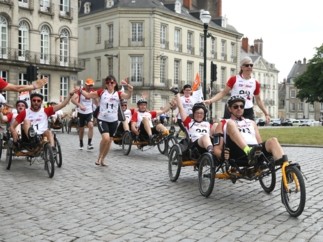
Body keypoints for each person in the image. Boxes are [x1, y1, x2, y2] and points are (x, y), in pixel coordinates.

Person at [213, 95, 286, 166]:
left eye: (241, 106)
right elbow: (216, 149)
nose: (239, 108)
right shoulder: (224, 122)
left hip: (255, 153)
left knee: (273, 140)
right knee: (231, 123)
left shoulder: (251, 122)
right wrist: (222, 155)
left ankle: (286, 167)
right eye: (235, 106)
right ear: (229, 109)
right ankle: (248, 151)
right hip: (237, 153)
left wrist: (260, 151)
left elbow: (259, 143)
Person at [78, 75, 133, 167]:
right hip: (102, 119)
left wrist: (130, 91)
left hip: (113, 120)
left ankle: (103, 159)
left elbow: (127, 96)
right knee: (106, 138)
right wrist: (80, 90)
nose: (110, 84)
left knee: (110, 140)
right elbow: (88, 95)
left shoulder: (118, 94)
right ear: (106, 84)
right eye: (107, 83)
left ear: (115, 83)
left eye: (112, 82)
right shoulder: (101, 92)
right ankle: (99, 157)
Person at [204, 56, 270, 122]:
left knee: (251, 130)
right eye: (247, 65)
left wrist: (266, 113)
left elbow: (258, 100)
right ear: (242, 67)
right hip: (234, 109)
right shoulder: (234, 79)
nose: (249, 67)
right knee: (229, 130)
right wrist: (210, 101)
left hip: (248, 109)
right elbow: (223, 93)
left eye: (251, 65)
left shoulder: (255, 83)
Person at [9, 91, 75, 152]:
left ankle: (52, 149)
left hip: (42, 135)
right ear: (31, 101)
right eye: (34, 100)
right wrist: (14, 132)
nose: (36, 102)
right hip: (29, 137)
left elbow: (62, 105)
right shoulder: (24, 112)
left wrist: (69, 95)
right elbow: (12, 126)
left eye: (38, 101)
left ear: (41, 102)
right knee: (26, 121)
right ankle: (32, 138)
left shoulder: (46, 111)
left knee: (49, 132)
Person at [71, 78, 98, 150]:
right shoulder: (80, 91)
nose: (90, 87)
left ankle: (89, 143)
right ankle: (81, 142)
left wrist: (98, 109)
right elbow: (72, 100)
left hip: (89, 112)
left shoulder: (93, 92)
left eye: (91, 85)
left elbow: (96, 101)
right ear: (86, 85)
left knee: (91, 126)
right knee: (81, 129)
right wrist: (79, 105)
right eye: (89, 85)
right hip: (81, 112)